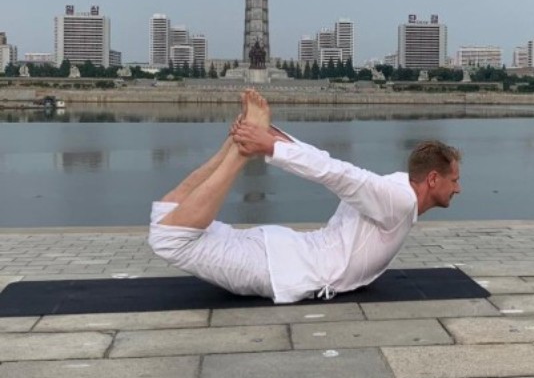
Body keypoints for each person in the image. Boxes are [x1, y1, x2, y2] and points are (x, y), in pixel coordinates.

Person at [148, 89, 462, 304]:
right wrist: (268, 146)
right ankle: (240, 153)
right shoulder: (401, 200)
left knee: (165, 217)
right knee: (169, 239)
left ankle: (235, 143)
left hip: (282, 251)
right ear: (433, 179)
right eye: (454, 180)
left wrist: (270, 136)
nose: (458, 188)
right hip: (283, 269)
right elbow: (337, 173)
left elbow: (328, 164)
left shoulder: (394, 188)